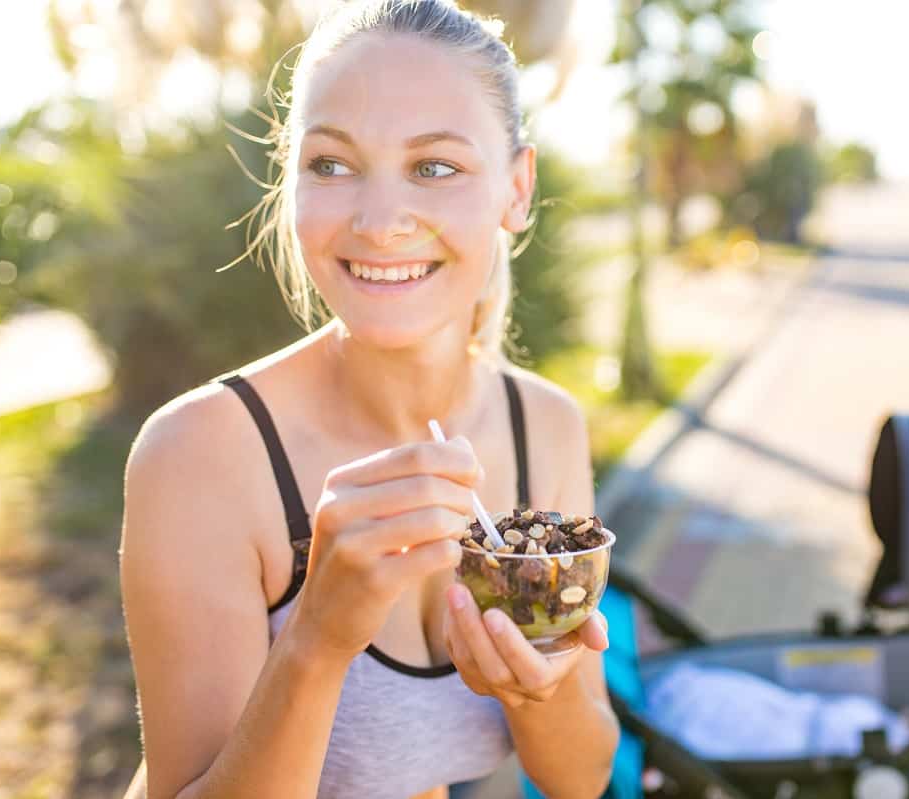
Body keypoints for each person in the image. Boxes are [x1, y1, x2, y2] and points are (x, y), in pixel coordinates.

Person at [118, 2, 619, 798]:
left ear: (516, 190)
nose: (381, 223)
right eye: (331, 164)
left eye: (434, 167)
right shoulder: (200, 456)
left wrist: (538, 687)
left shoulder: (544, 428)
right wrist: (316, 637)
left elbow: (581, 774)